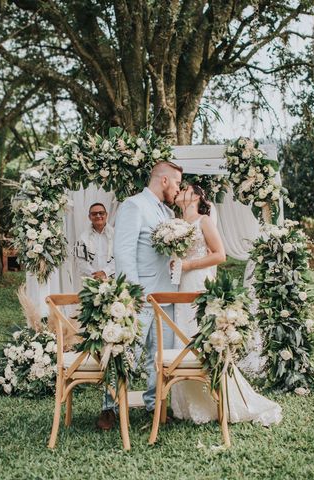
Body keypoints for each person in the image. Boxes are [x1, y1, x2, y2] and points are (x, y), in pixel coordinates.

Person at [172, 184, 283, 427]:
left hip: (198, 282)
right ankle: (188, 405)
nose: (180, 191)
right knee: (182, 336)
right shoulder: (176, 222)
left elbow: (220, 254)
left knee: (201, 338)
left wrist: (188, 265)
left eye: (186, 188)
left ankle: (217, 399)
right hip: (180, 285)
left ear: (197, 197)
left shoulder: (204, 221)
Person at [97, 161, 183, 430]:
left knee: (159, 358)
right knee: (125, 353)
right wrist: (133, 293)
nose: (179, 189)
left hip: (166, 297)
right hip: (140, 297)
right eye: (178, 183)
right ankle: (109, 407)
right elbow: (123, 252)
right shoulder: (133, 205)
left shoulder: (168, 213)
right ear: (165, 180)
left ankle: (153, 405)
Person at [73, 202, 115, 280]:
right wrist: (95, 275)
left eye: (101, 213)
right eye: (94, 214)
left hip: (113, 279)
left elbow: (119, 258)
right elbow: (81, 262)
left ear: (106, 215)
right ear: (89, 217)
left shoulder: (116, 235)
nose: (98, 216)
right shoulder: (83, 238)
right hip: (91, 280)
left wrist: (105, 272)